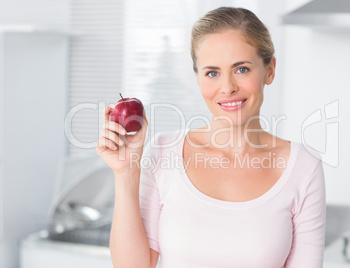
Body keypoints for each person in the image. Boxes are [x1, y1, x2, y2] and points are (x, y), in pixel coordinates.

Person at [97, 6, 326, 268]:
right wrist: (126, 172)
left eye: (241, 69)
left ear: (270, 70)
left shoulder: (303, 166)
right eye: (212, 73)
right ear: (198, 78)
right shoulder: (164, 151)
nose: (227, 87)